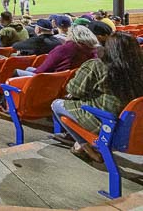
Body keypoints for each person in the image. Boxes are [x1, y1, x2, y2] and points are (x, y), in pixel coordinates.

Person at [52, 32, 143, 162]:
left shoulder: (97, 65)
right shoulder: (138, 68)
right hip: (135, 128)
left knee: (56, 104)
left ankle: (82, 145)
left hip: (108, 125)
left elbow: (74, 90)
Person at [15, 24, 97, 77]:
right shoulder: (93, 50)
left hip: (53, 80)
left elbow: (42, 71)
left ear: (72, 35)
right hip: (68, 79)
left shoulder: (64, 49)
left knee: (16, 72)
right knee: (29, 69)